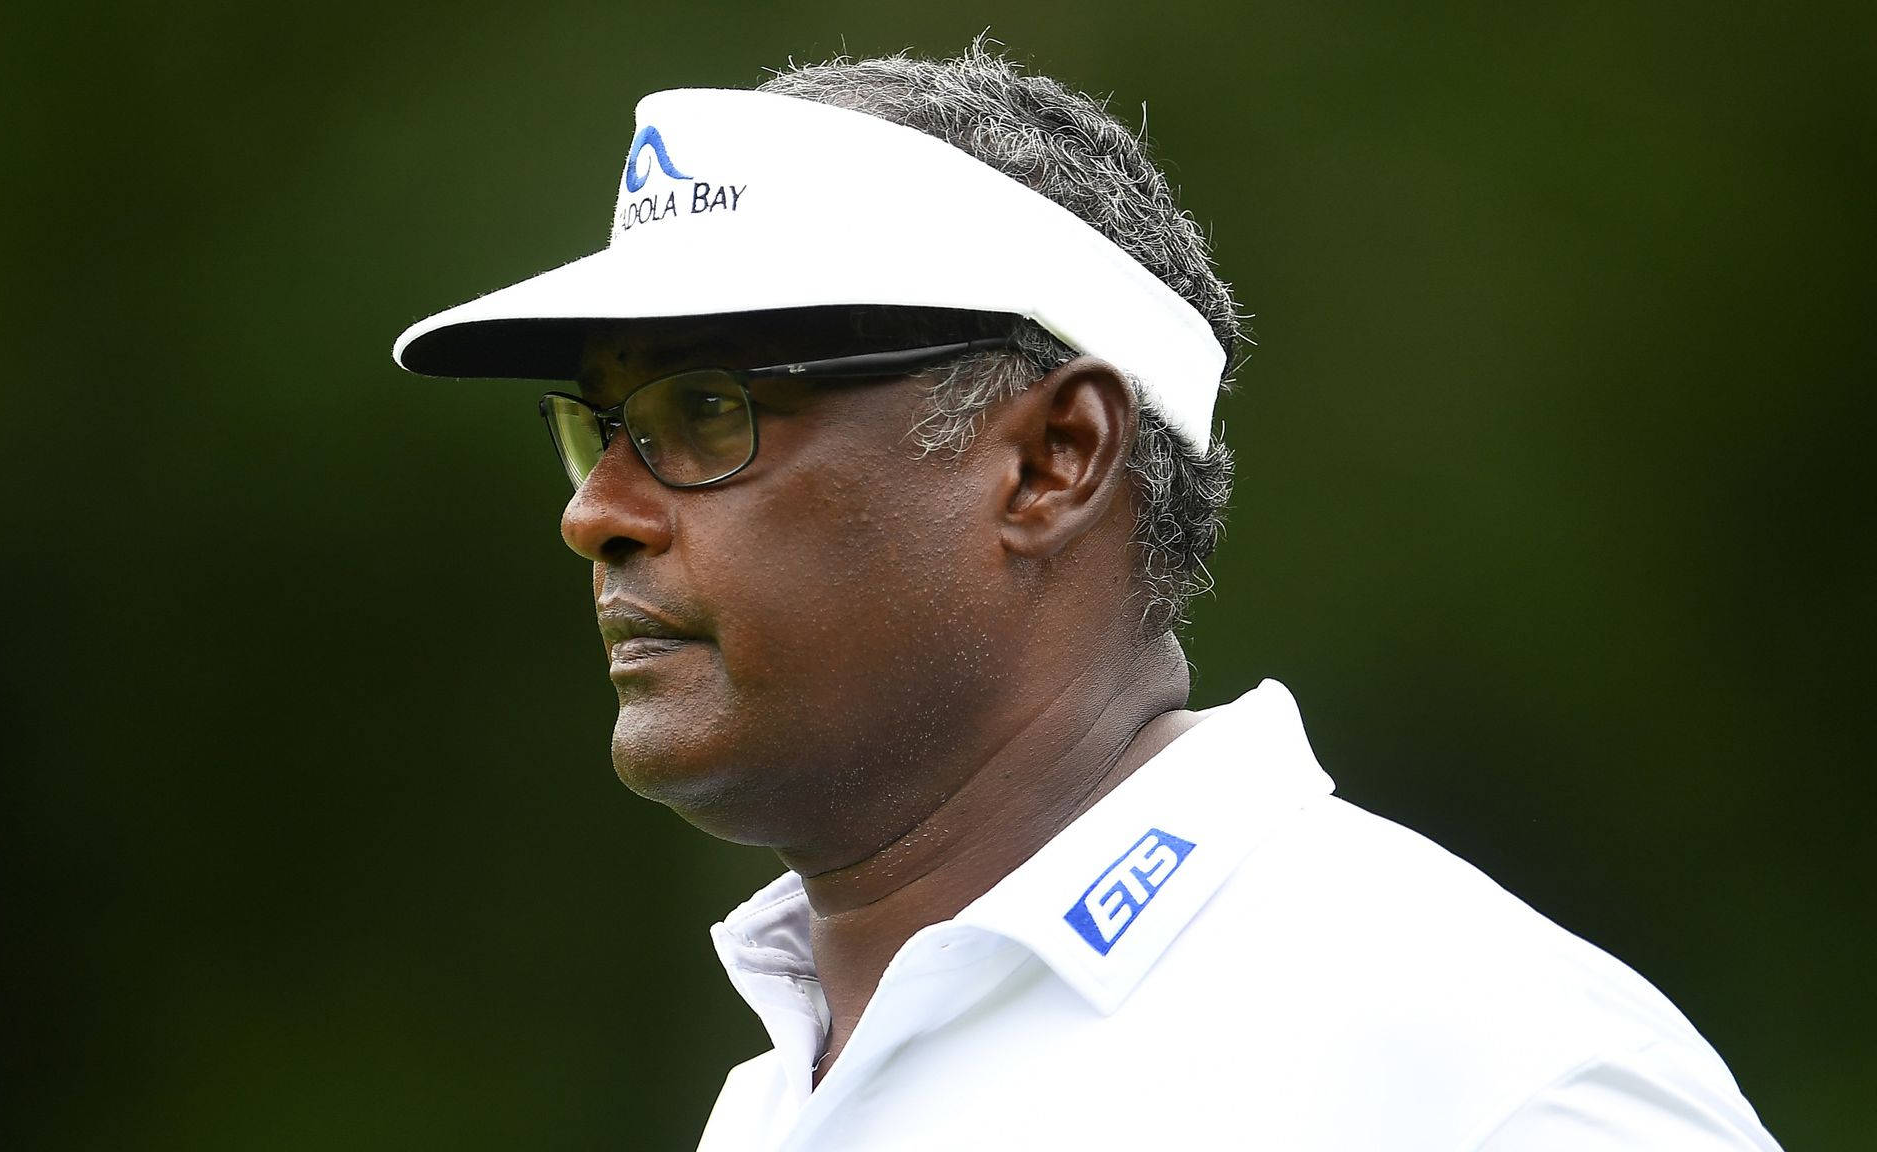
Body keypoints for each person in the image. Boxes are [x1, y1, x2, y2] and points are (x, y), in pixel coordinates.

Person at [393, 43, 1782, 1151]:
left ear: (1054, 459)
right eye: (598, 426)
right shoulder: (779, 1090)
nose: (596, 513)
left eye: (706, 411)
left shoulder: (1484, 1076)